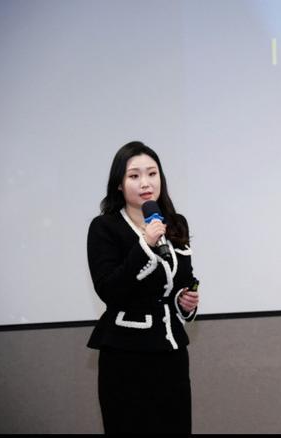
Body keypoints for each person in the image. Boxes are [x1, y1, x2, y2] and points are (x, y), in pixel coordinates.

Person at [86, 141, 199, 434]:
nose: (145, 183)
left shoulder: (176, 223)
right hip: (125, 353)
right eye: (134, 176)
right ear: (119, 184)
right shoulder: (104, 227)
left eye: (152, 173)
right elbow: (109, 289)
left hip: (171, 352)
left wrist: (185, 301)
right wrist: (145, 244)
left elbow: (182, 280)